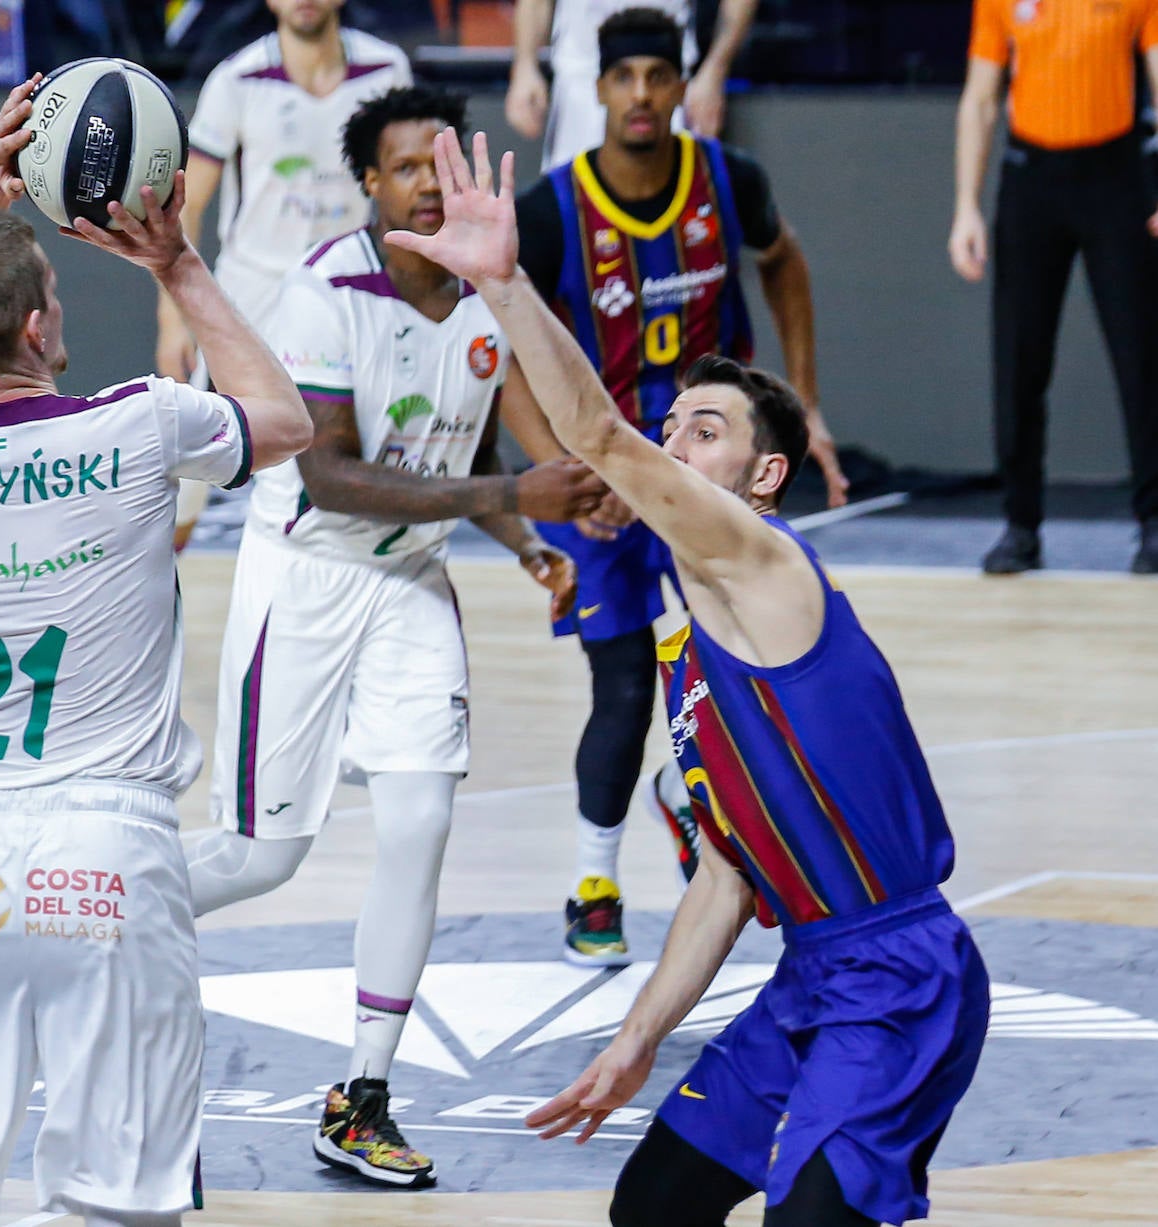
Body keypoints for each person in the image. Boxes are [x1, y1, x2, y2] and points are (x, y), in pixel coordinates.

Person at [388, 125, 991, 1227]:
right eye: (673, 425)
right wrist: (636, 1040)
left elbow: (599, 435)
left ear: (766, 474)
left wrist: (509, 287)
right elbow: (724, 882)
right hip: (813, 974)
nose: (672, 446)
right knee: (651, 1207)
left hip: (900, 979)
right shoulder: (691, 650)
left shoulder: (765, 564)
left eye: (701, 432)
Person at [0, 79, 312, 1227]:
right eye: (48, 294)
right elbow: (289, 422)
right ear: (37, 329)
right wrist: (178, 267)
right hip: (106, 856)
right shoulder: (140, 422)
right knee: (114, 1203)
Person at [184, 85, 603, 1189]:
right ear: (369, 186)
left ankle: (360, 1095)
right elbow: (326, 476)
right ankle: (98, 919)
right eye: (406, 166)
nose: (428, 180)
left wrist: (528, 543)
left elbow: (489, 447)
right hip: (308, 579)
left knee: (420, 817)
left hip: (412, 581)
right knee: (261, 858)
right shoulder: (323, 295)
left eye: (441, 161)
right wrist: (515, 495)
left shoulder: (483, 295)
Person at [509, 6, 846, 966]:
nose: (645, 94)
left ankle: (712, 821)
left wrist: (805, 403)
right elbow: (505, 360)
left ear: (682, 82)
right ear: (601, 89)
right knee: (620, 686)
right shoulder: (551, 208)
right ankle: (595, 880)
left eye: (661, 75)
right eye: (627, 78)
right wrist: (568, 474)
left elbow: (784, 265)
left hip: (712, 480)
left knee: (742, 666)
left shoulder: (728, 181)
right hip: (608, 481)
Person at [156, 0, 410, 547]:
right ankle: (158, 576)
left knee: (352, 449)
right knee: (190, 461)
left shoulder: (387, 71)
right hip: (252, 288)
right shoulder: (237, 78)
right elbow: (188, 204)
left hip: (346, 289)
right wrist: (172, 321)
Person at [949, 0, 1158, 574]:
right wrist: (967, 207)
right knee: (1019, 359)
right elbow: (981, 97)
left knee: (1142, 355)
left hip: (1117, 178)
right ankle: (1020, 526)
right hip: (1032, 180)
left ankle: (1154, 523)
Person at [505, 0, 758, 169]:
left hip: (666, 75)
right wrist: (525, 64)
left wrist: (715, 70)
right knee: (574, 219)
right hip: (579, 79)